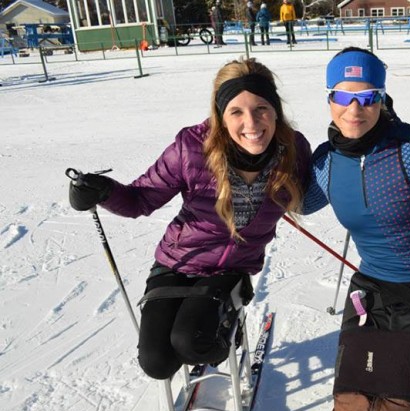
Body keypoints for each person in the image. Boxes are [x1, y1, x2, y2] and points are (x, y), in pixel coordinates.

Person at [68, 58, 312, 380]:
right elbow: (140, 199)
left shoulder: (293, 150)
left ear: (275, 109)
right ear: (220, 115)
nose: (251, 123)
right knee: (156, 362)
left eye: (261, 108)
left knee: (191, 342)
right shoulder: (192, 147)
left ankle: (225, 336)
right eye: (236, 111)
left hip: (231, 268)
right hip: (177, 261)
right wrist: (101, 191)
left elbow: (318, 192)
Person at [303, 47, 410, 411]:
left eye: (368, 96)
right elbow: (296, 202)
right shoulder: (326, 163)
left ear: (382, 98)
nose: (355, 108)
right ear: (329, 99)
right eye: (343, 95)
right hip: (370, 288)